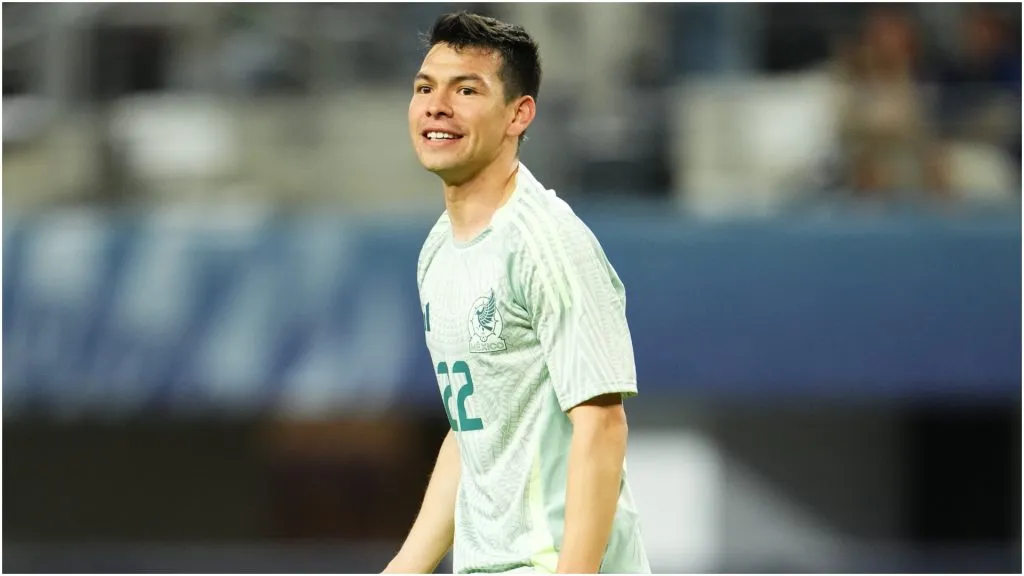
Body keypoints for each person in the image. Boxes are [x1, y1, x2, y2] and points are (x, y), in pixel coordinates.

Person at [383, 11, 650, 575]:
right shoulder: (438, 251)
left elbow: (602, 426)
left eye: (467, 90)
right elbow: (474, 429)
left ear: (518, 114)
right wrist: (405, 567)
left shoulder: (547, 243)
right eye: (425, 87)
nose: (437, 106)